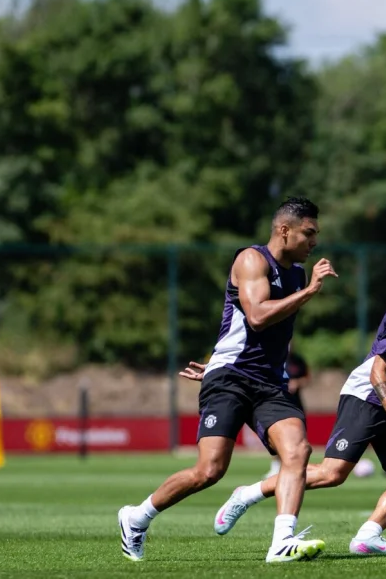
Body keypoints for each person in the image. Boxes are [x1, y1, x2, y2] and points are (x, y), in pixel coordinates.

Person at [206, 244, 386, 557]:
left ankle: (367, 537)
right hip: (367, 394)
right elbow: (377, 371)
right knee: (333, 474)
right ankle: (247, 494)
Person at [117, 197, 337, 564]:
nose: (314, 242)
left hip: (269, 383)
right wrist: (310, 292)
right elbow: (256, 317)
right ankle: (136, 517)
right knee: (209, 470)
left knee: (297, 452)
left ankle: (281, 541)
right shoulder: (252, 260)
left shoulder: (296, 273)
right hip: (232, 378)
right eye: (309, 233)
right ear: (284, 230)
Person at [266, 350, 312, 478]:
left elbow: (308, 378)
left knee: (298, 438)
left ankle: (295, 467)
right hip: (276, 401)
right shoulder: (271, 355)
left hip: (296, 403)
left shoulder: (298, 360)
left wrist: (297, 383)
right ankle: (275, 467)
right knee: (275, 436)